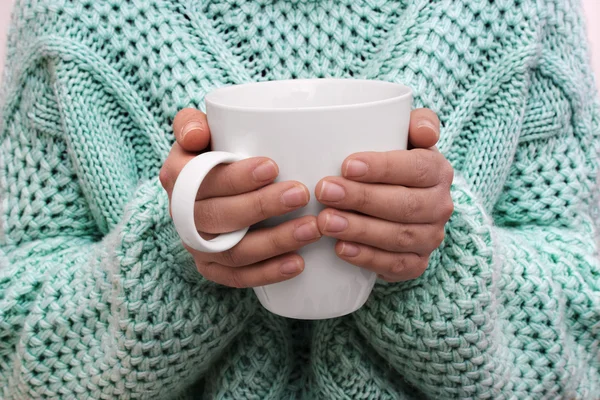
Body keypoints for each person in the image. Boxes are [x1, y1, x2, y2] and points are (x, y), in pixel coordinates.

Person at [0, 0, 598, 398]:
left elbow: (586, 334)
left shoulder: (520, 12)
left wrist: (437, 261)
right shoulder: (74, 13)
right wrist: (176, 253)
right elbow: (14, 342)